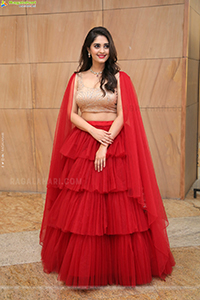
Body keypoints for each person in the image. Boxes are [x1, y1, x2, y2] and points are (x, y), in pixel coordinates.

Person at [39, 26, 175, 288]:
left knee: (120, 207)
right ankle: (87, 266)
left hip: (113, 142)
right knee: (83, 208)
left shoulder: (120, 78)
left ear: (110, 49)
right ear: (88, 49)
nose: (102, 50)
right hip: (83, 141)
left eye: (106, 45)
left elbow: (124, 115)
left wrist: (105, 144)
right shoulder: (76, 78)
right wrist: (92, 133)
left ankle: (118, 264)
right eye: (97, 46)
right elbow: (71, 114)